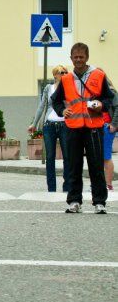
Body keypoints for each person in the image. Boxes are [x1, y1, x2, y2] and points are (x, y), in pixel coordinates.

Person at [51, 42, 113, 213]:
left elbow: (110, 99)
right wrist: (62, 111)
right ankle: (74, 201)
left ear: (87, 58)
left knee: (96, 165)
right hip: (73, 127)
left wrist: (101, 105)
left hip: (94, 128)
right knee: (73, 165)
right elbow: (55, 100)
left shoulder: (99, 76)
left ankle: (99, 202)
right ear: (71, 58)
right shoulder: (65, 79)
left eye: (81, 57)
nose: (78, 60)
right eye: (75, 57)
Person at [28, 65, 69, 192]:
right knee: (50, 156)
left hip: (64, 124)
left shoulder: (69, 88)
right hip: (49, 125)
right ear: (55, 75)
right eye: (61, 73)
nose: (64, 75)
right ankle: (51, 188)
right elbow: (42, 106)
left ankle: (67, 187)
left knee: (67, 156)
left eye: (66, 73)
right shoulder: (48, 88)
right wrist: (34, 124)